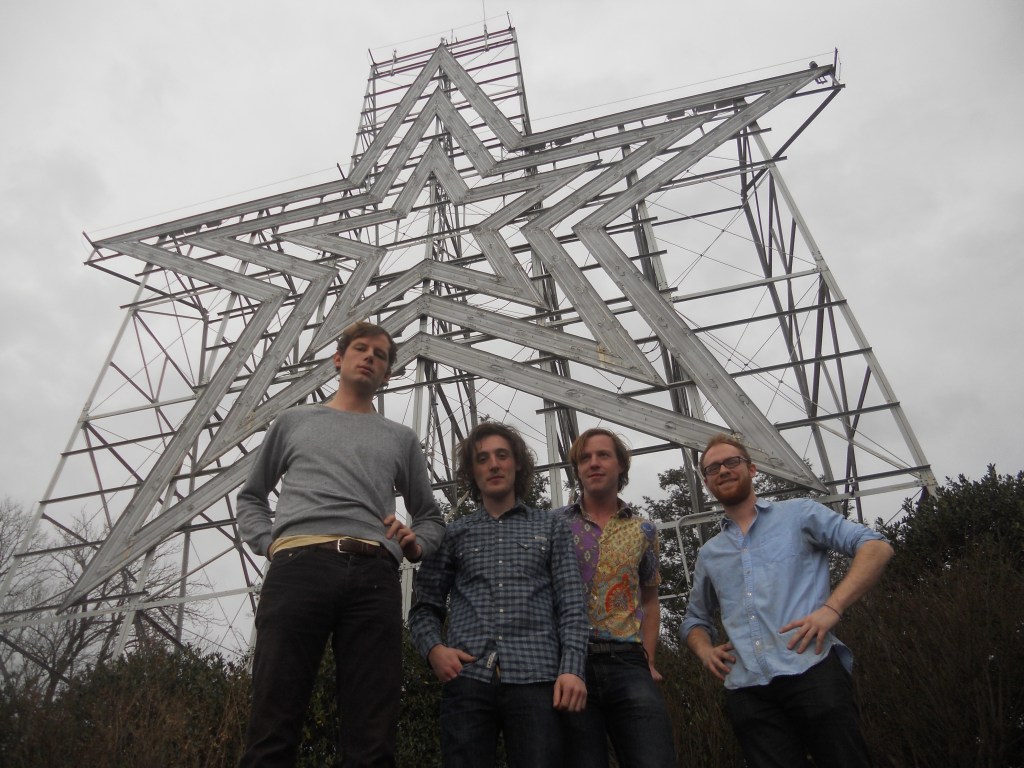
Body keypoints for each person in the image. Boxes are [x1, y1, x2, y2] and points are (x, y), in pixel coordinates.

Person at [236, 321, 446, 768]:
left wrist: (415, 545)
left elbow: (429, 516)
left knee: (372, 733)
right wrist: (270, 544)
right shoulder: (293, 421)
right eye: (360, 348)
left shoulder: (400, 438)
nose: (369, 357)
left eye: (380, 355)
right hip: (298, 568)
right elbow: (251, 497)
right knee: (273, 720)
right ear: (338, 358)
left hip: (374, 575)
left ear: (387, 374)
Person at [681, 433, 894, 768]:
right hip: (748, 691)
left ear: (751, 469)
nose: (722, 470)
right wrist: (704, 650)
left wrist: (832, 609)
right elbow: (695, 618)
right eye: (712, 468)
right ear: (707, 483)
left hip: (812, 670)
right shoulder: (710, 554)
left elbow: (876, 547)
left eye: (731, 462)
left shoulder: (799, 514)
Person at [408, 422, 589, 768]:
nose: (493, 465)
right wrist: (433, 650)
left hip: (537, 677)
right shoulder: (453, 534)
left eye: (502, 456)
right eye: (482, 459)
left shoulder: (552, 527)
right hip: (468, 678)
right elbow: (424, 607)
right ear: (472, 472)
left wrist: (572, 669)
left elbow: (571, 605)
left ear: (517, 463)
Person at [558, 428, 677, 768]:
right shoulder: (555, 524)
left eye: (603, 455)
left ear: (621, 465)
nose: (593, 463)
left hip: (628, 660)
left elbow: (650, 600)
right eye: (585, 458)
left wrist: (649, 661)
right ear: (577, 469)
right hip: (571, 661)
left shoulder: (644, 530)